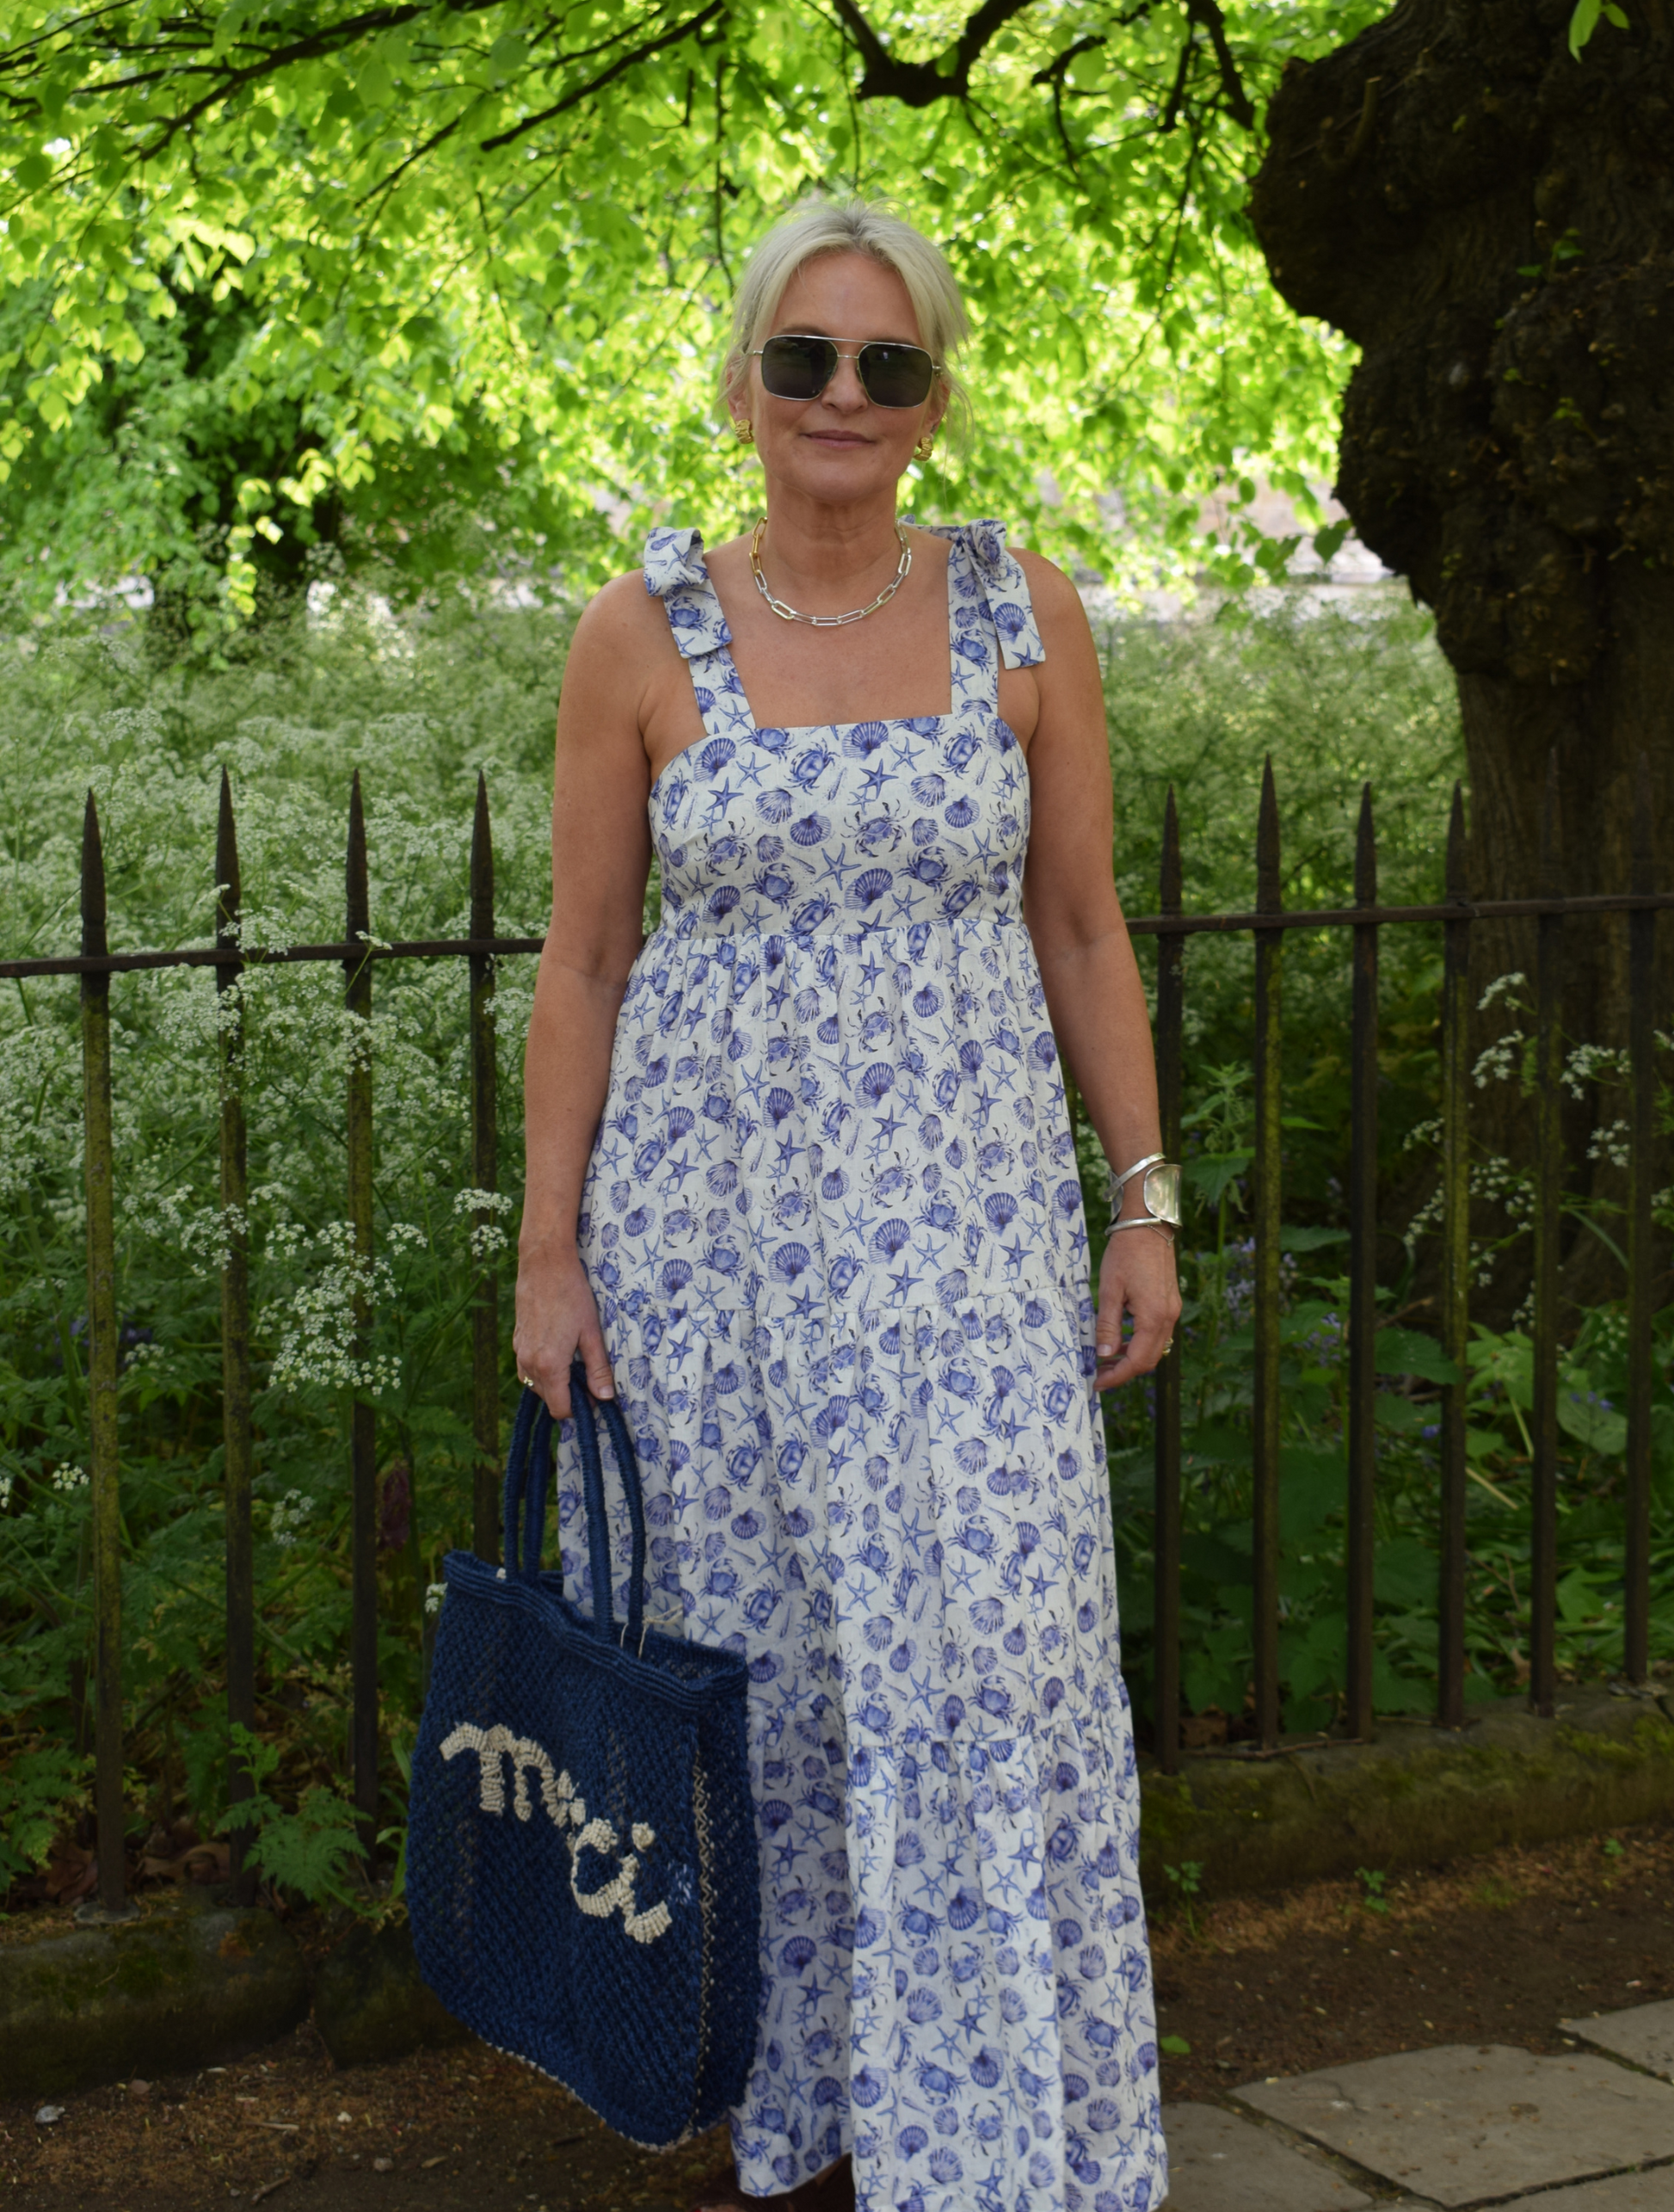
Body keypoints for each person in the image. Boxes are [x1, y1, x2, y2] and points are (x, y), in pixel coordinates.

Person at [514, 195, 1179, 2212]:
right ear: (742, 382)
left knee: (996, 1648)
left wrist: (1138, 1199)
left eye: (886, 364)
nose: (840, 394)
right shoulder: (641, 631)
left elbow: (1078, 919)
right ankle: (810, 2112)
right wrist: (548, 1252)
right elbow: (585, 959)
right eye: (803, 356)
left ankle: (996, 2127)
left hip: (969, 1255)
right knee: (770, 1679)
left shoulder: (1022, 612)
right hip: (710, 1263)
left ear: (933, 399)